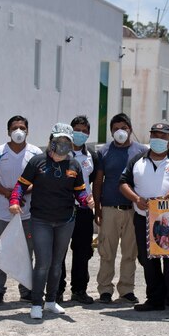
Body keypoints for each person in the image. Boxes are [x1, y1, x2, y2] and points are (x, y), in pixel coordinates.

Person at [9, 123, 94, 320]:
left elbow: (80, 191)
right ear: (51, 141)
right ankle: (36, 303)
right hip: (41, 220)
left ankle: (50, 301)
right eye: (58, 141)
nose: (62, 145)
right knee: (43, 263)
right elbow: (20, 186)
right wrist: (14, 201)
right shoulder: (37, 162)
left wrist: (86, 200)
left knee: (57, 263)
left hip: (65, 221)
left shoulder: (74, 165)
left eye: (66, 142)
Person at [119, 122, 169, 318]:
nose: (158, 139)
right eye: (154, 135)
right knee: (147, 260)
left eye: (163, 136)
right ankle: (155, 299)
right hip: (143, 219)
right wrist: (136, 198)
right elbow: (123, 183)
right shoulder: (138, 160)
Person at [0, 115, 41, 304]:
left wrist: (22, 193)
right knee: (0, 252)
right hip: (2, 211)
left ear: (28, 131)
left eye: (22, 128)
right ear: (8, 131)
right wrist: (10, 195)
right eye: (15, 127)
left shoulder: (35, 153)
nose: (19, 131)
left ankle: (25, 290)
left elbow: (39, 179)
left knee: (27, 252)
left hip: (28, 212)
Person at [93, 113, 146, 304]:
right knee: (106, 251)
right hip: (109, 208)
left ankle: (126, 289)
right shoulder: (104, 151)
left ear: (130, 129)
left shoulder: (141, 151)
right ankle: (105, 289)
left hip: (133, 209)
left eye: (123, 128)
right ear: (111, 132)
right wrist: (97, 209)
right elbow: (98, 182)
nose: (120, 132)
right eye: (115, 129)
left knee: (130, 252)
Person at [57, 115, 97, 304]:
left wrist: (95, 204)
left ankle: (79, 290)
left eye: (84, 130)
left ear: (88, 134)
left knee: (82, 251)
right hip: (62, 208)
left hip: (83, 210)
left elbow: (96, 182)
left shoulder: (91, 156)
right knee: (59, 250)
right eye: (77, 130)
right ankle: (57, 290)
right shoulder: (60, 152)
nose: (80, 133)